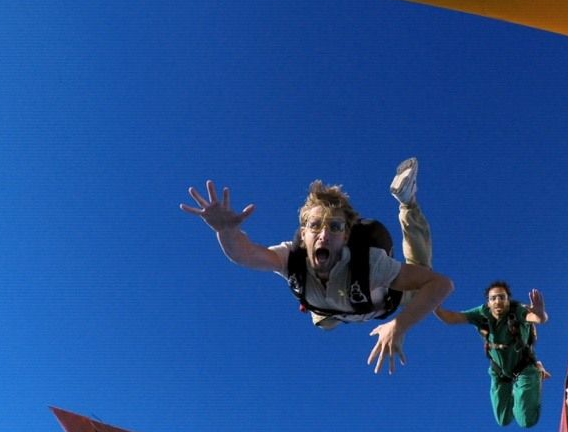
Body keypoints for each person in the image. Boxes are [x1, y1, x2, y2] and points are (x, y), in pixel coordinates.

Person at [180, 158, 453, 375]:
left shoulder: (370, 264)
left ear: (345, 236)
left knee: (421, 274)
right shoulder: (291, 258)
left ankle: (408, 203)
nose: (323, 235)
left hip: (381, 300)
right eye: (315, 226)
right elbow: (245, 254)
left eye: (334, 227)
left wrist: (399, 326)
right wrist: (226, 231)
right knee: (324, 323)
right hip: (330, 312)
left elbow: (441, 284)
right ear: (304, 233)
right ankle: (327, 308)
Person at [434, 282, 550, 428]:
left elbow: (538, 318)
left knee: (526, 421)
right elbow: (451, 318)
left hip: (523, 368)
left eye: (502, 297)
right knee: (503, 419)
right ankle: (517, 391)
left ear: (508, 300)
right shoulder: (482, 314)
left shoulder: (517, 311)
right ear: (488, 303)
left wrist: (540, 313)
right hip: (500, 371)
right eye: (493, 298)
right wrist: (434, 306)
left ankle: (536, 374)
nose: (497, 301)